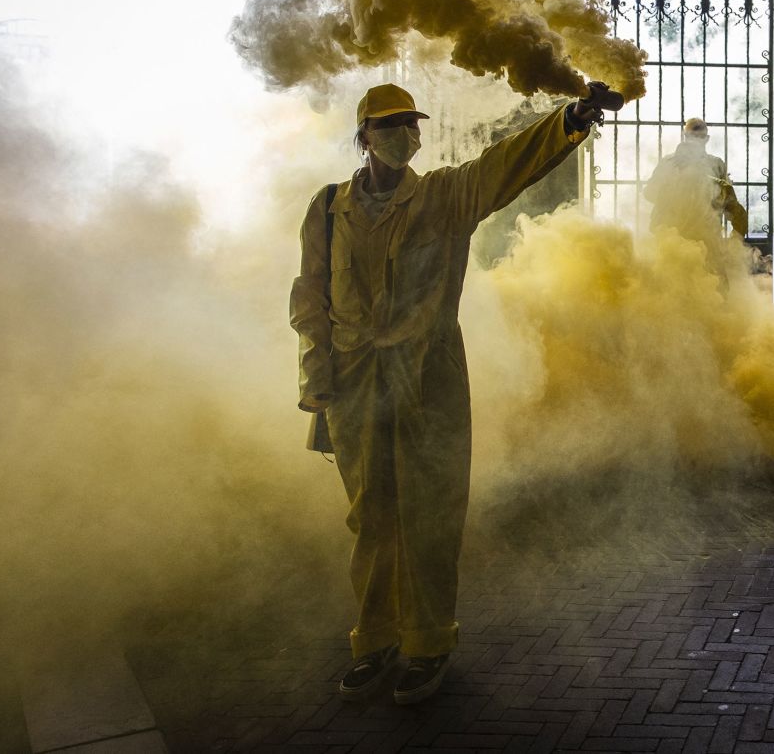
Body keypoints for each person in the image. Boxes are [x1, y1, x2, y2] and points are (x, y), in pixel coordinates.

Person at [290, 81, 615, 704]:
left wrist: (572, 117)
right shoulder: (328, 208)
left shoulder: (443, 195)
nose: (402, 135)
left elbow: (505, 166)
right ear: (363, 138)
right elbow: (311, 299)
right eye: (388, 126)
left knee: (430, 516)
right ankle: (376, 638)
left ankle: (428, 644)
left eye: (410, 124)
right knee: (370, 517)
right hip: (358, 382)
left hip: (429, 376)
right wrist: (318, 384)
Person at [642, 117, 748, 246]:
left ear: (685, 136)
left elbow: (649, 193)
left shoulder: (668, 163)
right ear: (707, 139)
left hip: (672, 239)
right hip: (705, 239)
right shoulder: (715, 164)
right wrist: (736, 240)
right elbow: (731, 205)